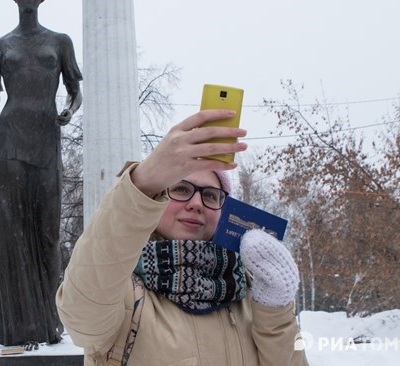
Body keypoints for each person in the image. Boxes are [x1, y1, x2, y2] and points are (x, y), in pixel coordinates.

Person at [57, 110, 309, 365]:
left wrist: (275, 311)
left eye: (210, 195)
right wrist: (142, 182)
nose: (196, 203)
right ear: (156, 197)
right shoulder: (120, 288)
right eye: (181, 189)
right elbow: (81, 317)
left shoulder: (251, 293)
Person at [0, 0, 82, 347]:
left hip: (45, 140)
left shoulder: (59, 42)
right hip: (9, 142)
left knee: (46, 231)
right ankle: (17, 329)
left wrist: (70, 112)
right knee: (12, 232)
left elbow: (75, 91)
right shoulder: (0, 46)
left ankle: (49, 324)